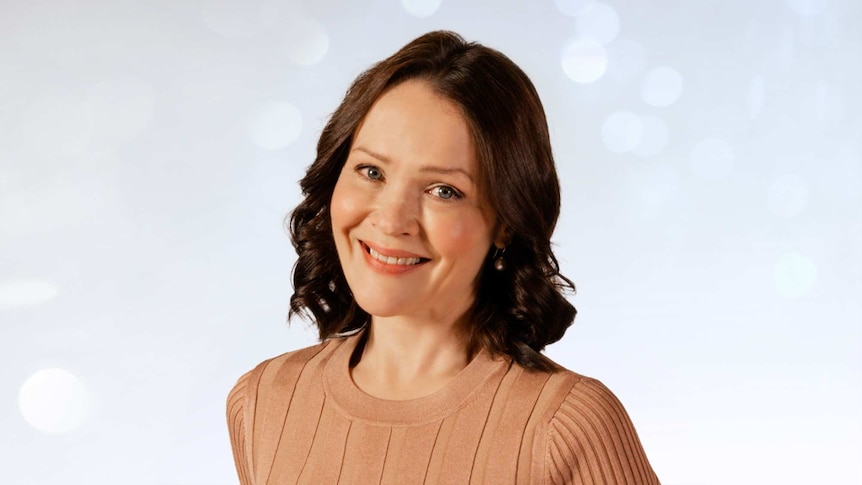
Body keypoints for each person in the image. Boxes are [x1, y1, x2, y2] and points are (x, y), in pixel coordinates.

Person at [227, 30, 660, 484]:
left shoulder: (564, 426)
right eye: (371, 171)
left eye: (443, 191)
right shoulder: (262, 402)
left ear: (505, 222)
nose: (393, 220)